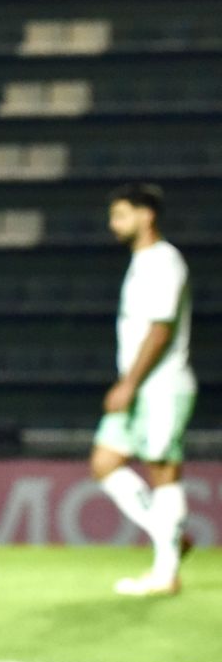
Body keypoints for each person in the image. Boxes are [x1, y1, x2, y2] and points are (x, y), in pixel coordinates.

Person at [92, 182, 196, 596]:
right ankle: (169, 535)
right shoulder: (141, 262)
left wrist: (128, 384)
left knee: (161, 469)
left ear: (145, 215)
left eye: (121, 214)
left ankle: (165, 573)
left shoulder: (163, 262)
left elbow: (160, 329)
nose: (113, 223)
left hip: (162, 385)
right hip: (141, 388)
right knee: (104, 462)